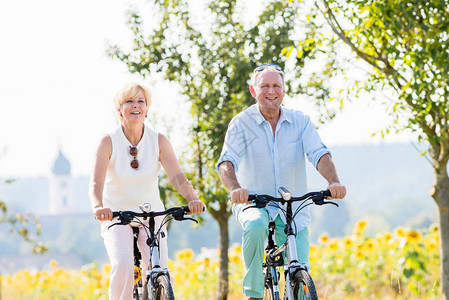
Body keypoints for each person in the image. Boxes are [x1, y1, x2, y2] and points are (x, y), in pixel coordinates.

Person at [216, 64, 346, 300]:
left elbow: (319, 153)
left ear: (284, 90)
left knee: (301, 277)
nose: (271, 91)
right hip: (253, 203)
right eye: (264, 86)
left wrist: (334, 181)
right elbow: (226, 162)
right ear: (253, 91)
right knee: (255, 226)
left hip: (293, 207)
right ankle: (254, 293)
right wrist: (235, 188)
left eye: (276, 85)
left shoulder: (300, 121)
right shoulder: (241, 123)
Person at [89, 82, 204, 300]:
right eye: (129, 101)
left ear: (147, 109)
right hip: (117, 216)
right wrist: (98, 206)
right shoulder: (108, 142)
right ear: (119, 110)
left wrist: (192, 198)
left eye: (141, 101)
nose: (136, 106)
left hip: (152, 215)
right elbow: (96, 182)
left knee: (159, 268)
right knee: (123, 265)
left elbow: (177, 177)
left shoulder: (158, 140)